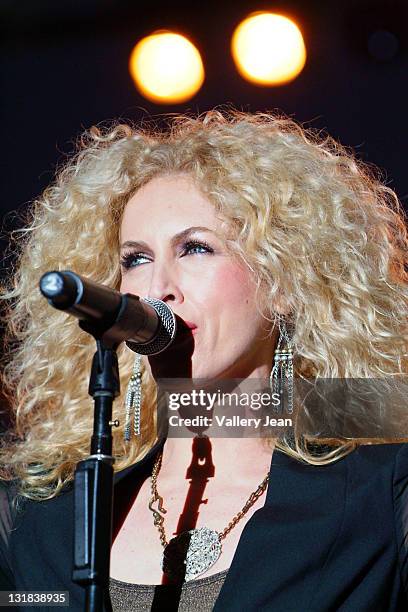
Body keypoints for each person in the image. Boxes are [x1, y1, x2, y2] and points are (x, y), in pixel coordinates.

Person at [0, 109, 408, 611]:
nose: (158, 288)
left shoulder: (377, 490)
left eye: (195, 248)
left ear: (284, 281)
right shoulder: (40, 519)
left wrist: (308, 406)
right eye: (136, 259)